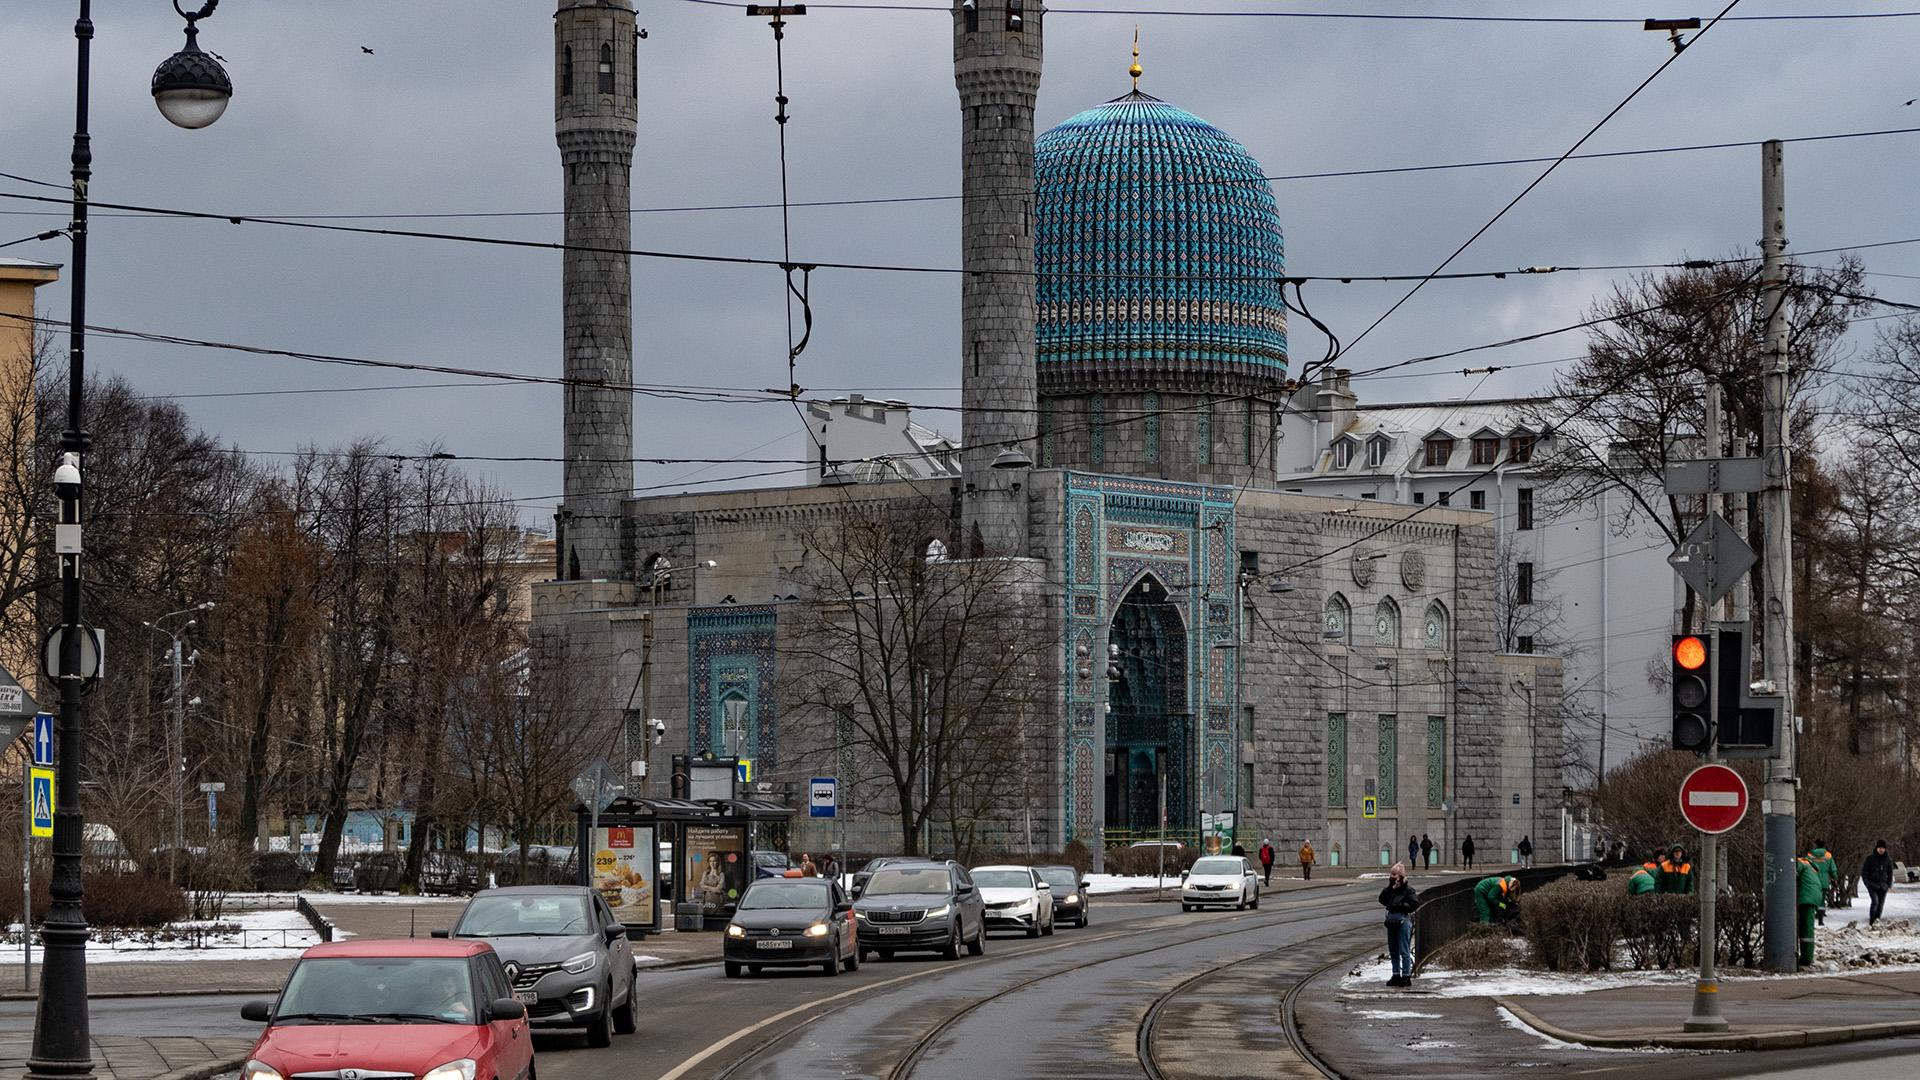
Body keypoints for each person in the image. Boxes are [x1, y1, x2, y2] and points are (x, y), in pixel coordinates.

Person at [1378, 862, 1421, 988]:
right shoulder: (1390, 890)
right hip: (1391, 921)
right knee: (1393, 950)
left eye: (1395, 875)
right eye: (1391, 875)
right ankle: (1395, 974)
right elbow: (1382, 900)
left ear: (1401, 876)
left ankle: (1406, 976)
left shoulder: (1408, 890)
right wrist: (1390, 887)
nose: (1392, 877)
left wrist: (1402, 906)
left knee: (1404, 949)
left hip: (1403, 921)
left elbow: (1414, 904)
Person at [1797, 847, 1823, 965]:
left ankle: (1806, 958)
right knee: (1807, 927)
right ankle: (1807, 956)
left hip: (1806, 898)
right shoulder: (1812, 867)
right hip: (1813, 898)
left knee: (1806, 929)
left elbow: (1791, 876)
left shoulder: (1800, 862)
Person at [1863, 840, 1895, 926]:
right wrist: (1866, 882)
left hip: (1883, 886)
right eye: (1880, 848)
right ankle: (1872, 921)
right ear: (1876, 848)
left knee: (1880, 905)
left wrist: (1889, 884)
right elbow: (1864, 871)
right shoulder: (1870, 858)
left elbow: (1890, 872)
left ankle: (1877, 921)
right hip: (1872, 885)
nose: (1881, 850)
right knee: (1875, 902)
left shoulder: (1888, 859)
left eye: (1883, 848)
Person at [1809, 839, 1838, 924]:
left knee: (1813, 898)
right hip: (1824, 881)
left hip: (1813, 880)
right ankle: (1820, 919)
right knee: (1822, 900)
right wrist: (1835, 878)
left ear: (1816, 845)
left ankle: (1813, 915)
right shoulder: (1828, 855)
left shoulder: (1810, 855)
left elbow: (1806, 865)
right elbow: (1833, 869)